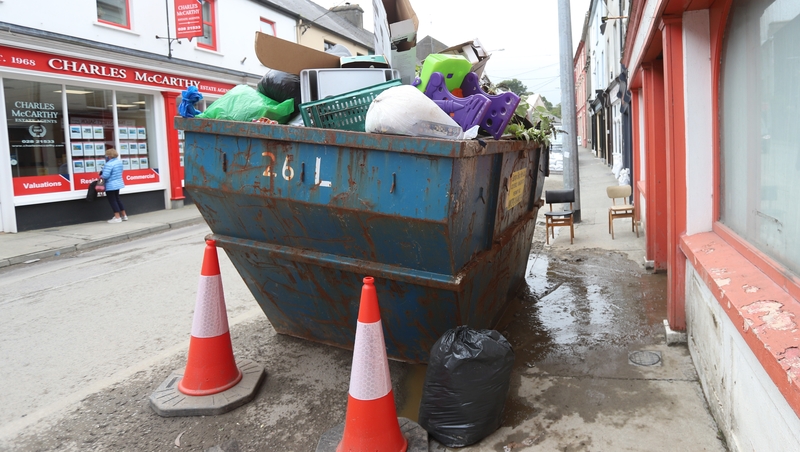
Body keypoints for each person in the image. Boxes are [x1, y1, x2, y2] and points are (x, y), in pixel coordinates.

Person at [100, 147, 128, 223]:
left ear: (109, 156)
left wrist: (100, 175)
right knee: (117, 199)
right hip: (118, 184)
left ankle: (117, 217)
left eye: (106, 156)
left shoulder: (109, 164)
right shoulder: (119, 162)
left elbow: (105, 176)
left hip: (111, 185)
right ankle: (124, 215)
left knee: (113, 201)